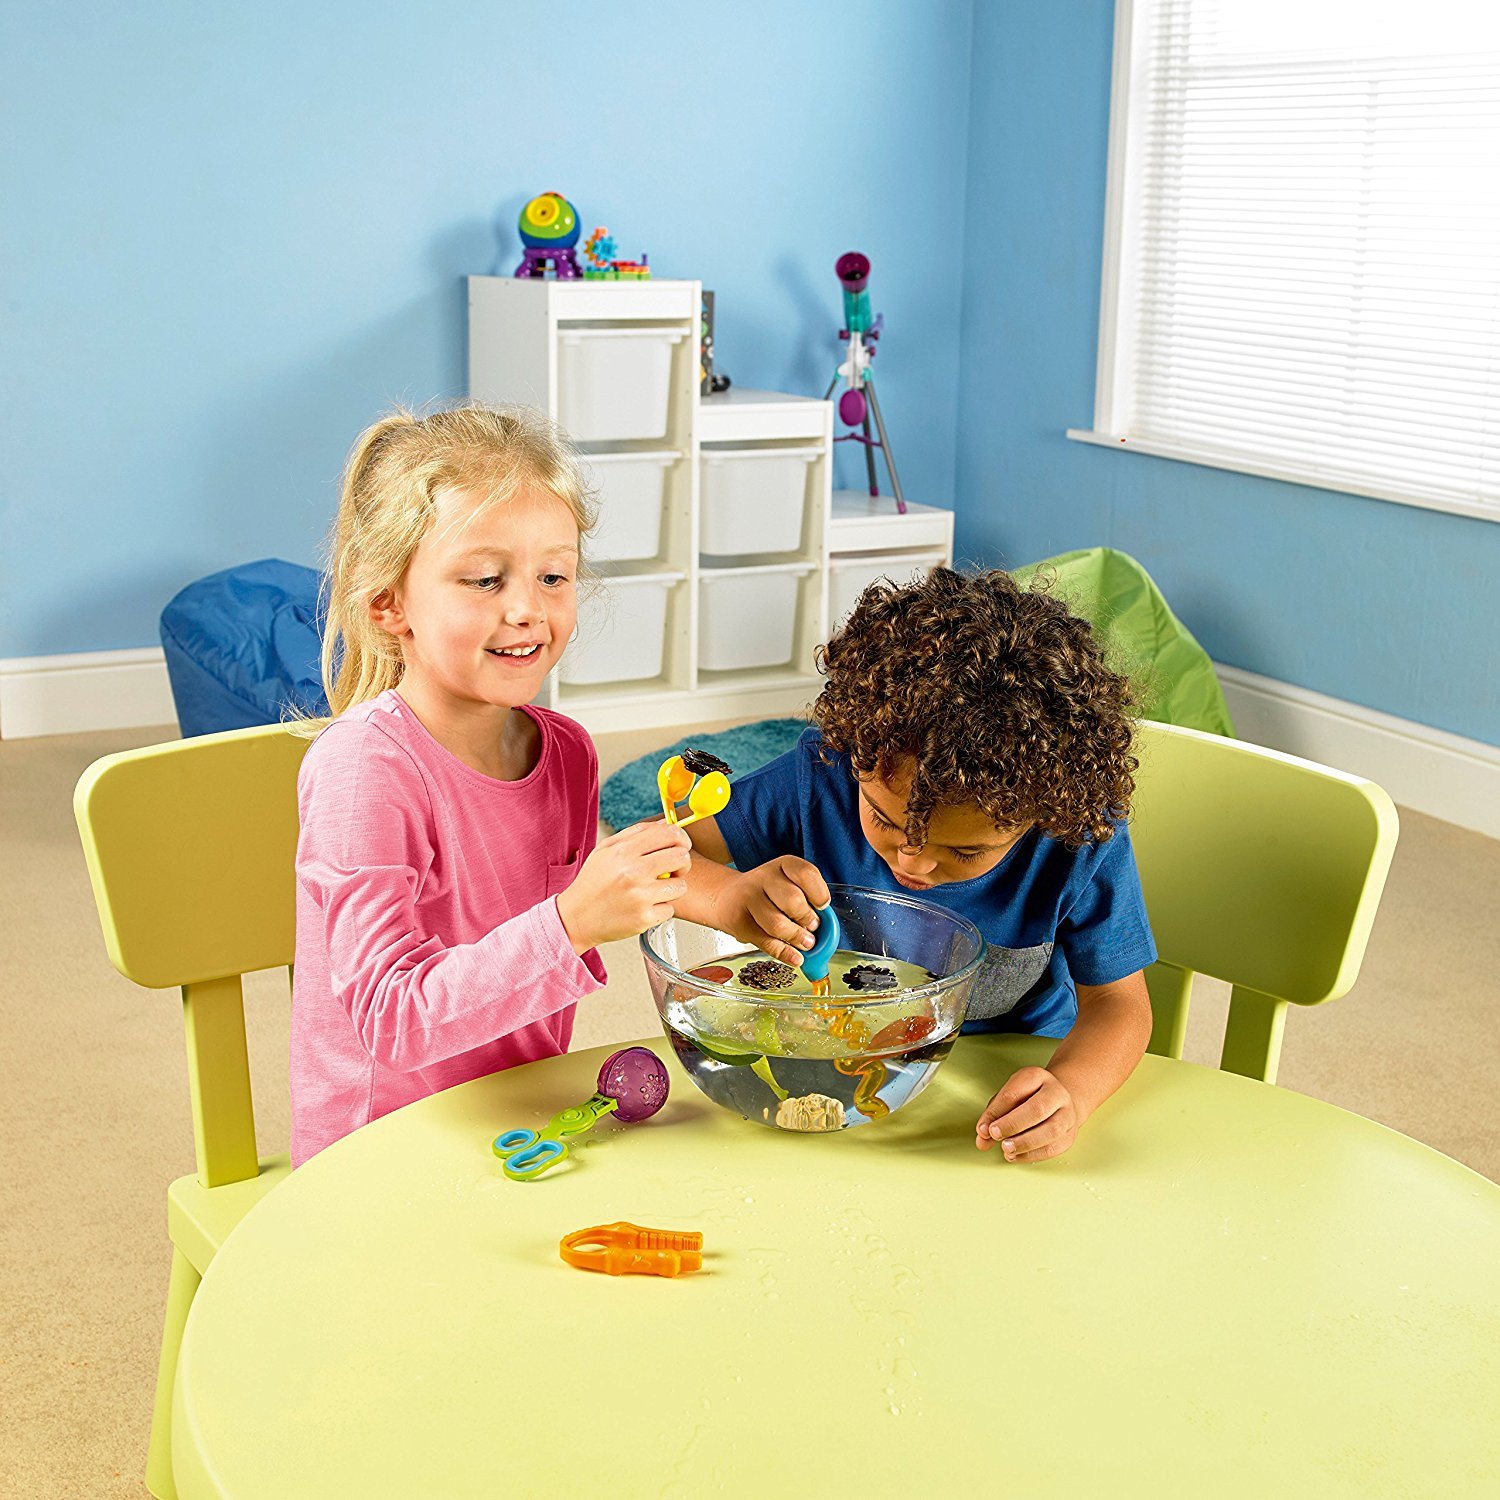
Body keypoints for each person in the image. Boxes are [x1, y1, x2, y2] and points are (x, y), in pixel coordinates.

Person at [289, 405, 689, 1164]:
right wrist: (571, 924)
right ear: (389, 602)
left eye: (553, 576)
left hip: (522, 1117)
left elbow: (571, 893)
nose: (527, 608)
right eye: (484, 579)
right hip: (379, 1152)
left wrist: (725, 898)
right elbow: (391, 1020)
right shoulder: (364, 770)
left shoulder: (566, 752)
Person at [679, 566, 1156, 1164]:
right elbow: (651, 855)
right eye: (883, 818)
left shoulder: (1078, 836)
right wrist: (726, 894)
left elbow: (1120, 1007)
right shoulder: (822, 773)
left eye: (964, 851)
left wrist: (1072, 1092)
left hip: (1003, 1079)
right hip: (832, 1058)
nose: (914, 863)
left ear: (1041, 815)